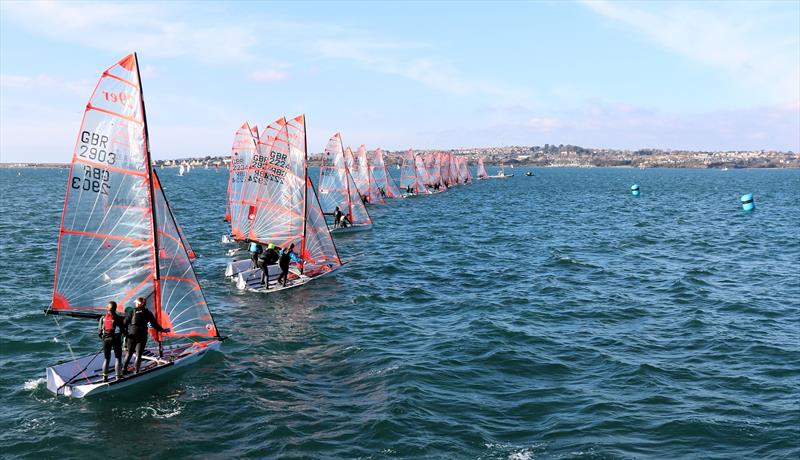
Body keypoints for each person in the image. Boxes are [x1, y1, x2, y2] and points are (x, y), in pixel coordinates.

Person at [122, 297, 169, 374]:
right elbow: (155, 325)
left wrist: (124, 333)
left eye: (136, 302)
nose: (135, 304)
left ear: (139, 304)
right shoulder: (148, 313)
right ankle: (136, 371)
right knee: (139, 354)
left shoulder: (132, 311)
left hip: (131, 335)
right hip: (142, 336)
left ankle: (124, 370)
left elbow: (124, 323)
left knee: (129, 353)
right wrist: (163, 330)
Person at [97, 301, 125, 382]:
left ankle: (105, 377)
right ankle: (118, 376)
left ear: (107, 308)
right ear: (116, 308)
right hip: (115, 340)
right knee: (118, 358)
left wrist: (104, 339)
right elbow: (122, 330)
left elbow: (99, 332)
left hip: (106, 340)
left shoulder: (103, 318)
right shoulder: (119, 318)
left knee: (106, 359)